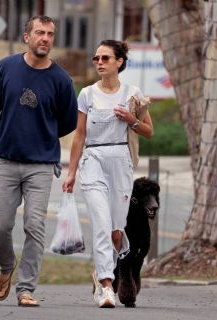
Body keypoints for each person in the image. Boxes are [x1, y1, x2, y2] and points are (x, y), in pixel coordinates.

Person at [0, 15, 78, 307]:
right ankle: (5, 266)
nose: (46, 39)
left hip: (40, 164)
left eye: (50, 34)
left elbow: (68, 122)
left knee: (35, 225)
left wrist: (43, 134)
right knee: (1, 225)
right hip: (4, 161)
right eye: (40, 33)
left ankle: (26, 288)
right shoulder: (7, 68)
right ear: (27, 37)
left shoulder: (62, 80)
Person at [62, 40, 154, 308]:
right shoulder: (87, 94)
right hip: (93, 161)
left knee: (115, 231)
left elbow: (149, 131)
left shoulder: (133, 93)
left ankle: (102, 271)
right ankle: (105, 285)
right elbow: (79, 135)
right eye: (96, 58)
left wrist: (131, 120)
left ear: (119, 62)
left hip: (121, 162)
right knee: (101, 223)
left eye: (105, 58)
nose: (99, 62)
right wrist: (72, 172)